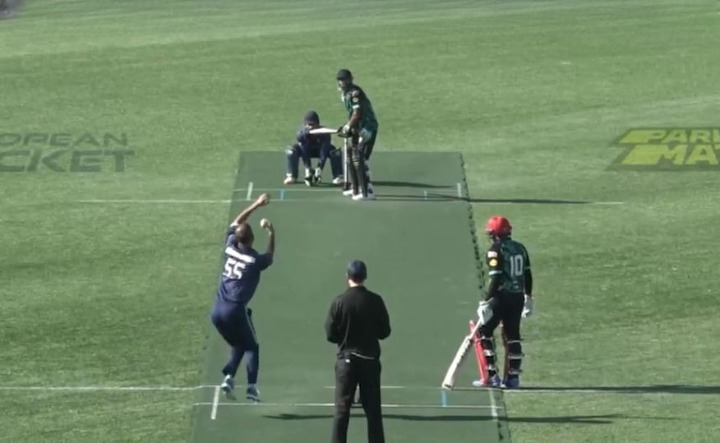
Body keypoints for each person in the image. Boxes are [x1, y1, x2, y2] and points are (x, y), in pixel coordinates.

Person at [210, 193, 275, 402]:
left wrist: (256, 204)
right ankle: (252, 388)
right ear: (252, 238)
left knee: (239, 344)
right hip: (235, 309)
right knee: (252, 347)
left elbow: (237, 222)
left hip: (217, 310)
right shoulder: (254, 260)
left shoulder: (229, 246)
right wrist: (271, 232)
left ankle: (229, 378)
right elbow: (270, 256)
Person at [325, 260, 391, 443]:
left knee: (341, 410)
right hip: (369, 361)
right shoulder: (375, 300)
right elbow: (385, 332)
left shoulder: (339, 301)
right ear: (365, 277)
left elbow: (330, 334)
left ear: (347, 276)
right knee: (373, 412)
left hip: (346, 362)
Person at [473, 215, 534, 389]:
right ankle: (513, 378)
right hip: (517, 297)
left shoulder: (495, 251)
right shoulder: (520, 248)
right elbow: (527, 274)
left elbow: (496, 278)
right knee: (513, 334)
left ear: (495, 234)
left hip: (501, 297)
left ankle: (492, 376)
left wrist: (486, 301)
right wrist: (528, 296)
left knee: (485, 331)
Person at [336, 69, 379, 201]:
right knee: (351, 153)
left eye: (345, 80)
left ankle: (367, 192)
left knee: (359, 157)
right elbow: (351, 115)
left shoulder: (355, 93)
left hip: (368, 127)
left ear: (350, 79)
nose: (343, 82)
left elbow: (357, 113)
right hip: (359, 128)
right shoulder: (345, 94)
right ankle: (356, 188)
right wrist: (348, 127)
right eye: (340, 80)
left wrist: (348, 126)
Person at [284, 110, 343, 186]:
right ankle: (291, 176)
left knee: (335, 152)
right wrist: (307, 168)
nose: (310, 127)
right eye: (308, 124)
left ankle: (338, 177)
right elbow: (304, 150)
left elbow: (324, 150)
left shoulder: (324, 133)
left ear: (317, 124)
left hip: (320, 150)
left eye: (312, 124)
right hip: (306, 151)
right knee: (291, 151)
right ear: (305, 124)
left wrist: (319, 168)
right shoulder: (301, 133)